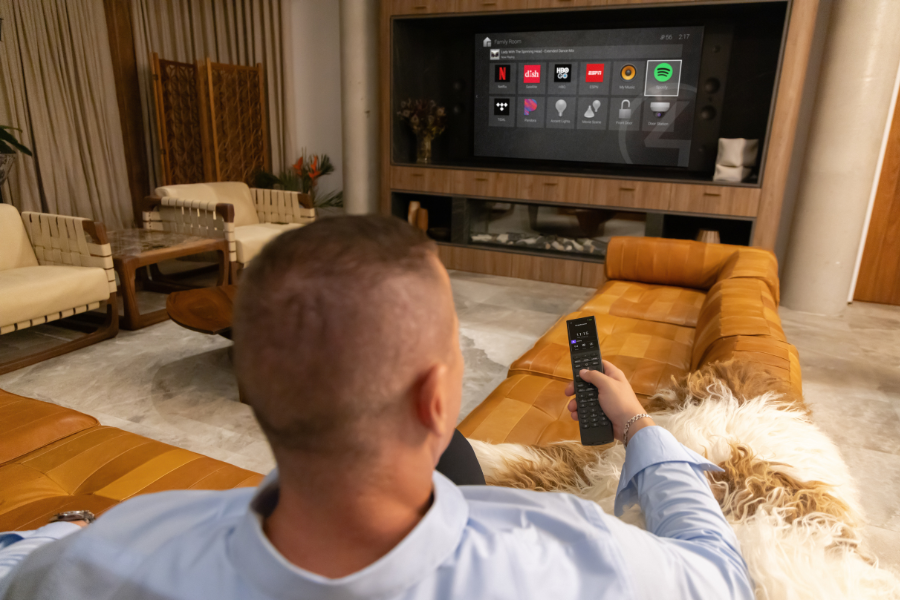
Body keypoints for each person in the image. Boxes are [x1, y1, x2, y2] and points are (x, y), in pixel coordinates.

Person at [0, 215, 753, 599]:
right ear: (435, 397)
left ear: (251, 388)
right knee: (456, 461)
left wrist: (55, 534)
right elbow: (722, 578)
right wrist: (638, 426)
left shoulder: (117, 552)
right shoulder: (566, 553)